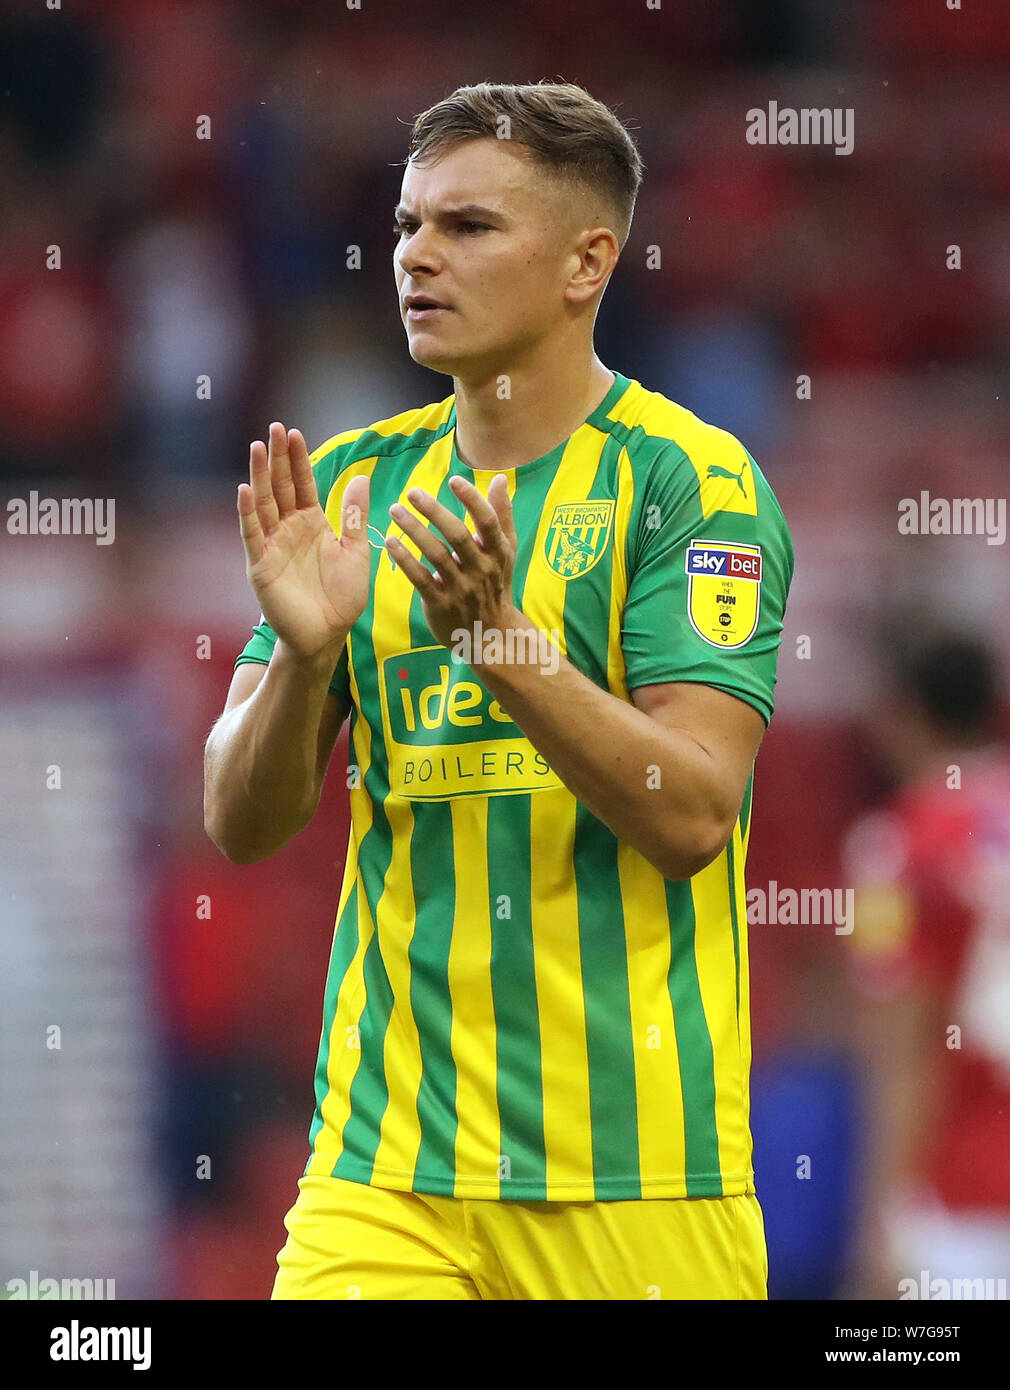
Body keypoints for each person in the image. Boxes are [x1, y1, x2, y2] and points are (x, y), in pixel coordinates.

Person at [204, 80, 794, 1300]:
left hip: (637, 1178)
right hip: (386, 1173)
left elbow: (689, 815)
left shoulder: (693, 485)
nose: (416, 254)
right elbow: (240, 821)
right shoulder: (353, 485)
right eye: (411, 224)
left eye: (467, 227)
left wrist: (502, 644)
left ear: (587, 261)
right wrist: (305, 659)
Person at [841, 631, 1010, 1299]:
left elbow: (900, 1043)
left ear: (902, 712)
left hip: (956, 1204)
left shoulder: (895, 846)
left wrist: (877, 1220)